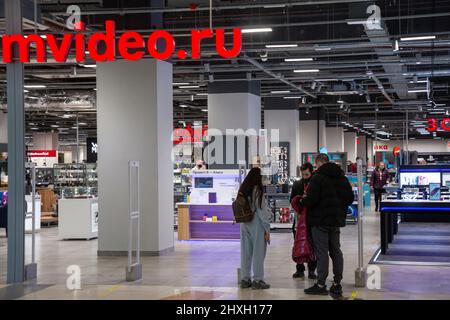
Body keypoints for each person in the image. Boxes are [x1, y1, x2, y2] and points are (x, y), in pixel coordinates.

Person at [299, 154, 354, 296]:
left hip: (320, 221)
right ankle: (337, 283)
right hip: (335, 221)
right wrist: (338, 208)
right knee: (336, 250)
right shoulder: (342, 178)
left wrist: (302, 201)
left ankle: (321, 284)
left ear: (318, 163)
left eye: (316, 165)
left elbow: (311, 200)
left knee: (321, 252)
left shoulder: (318, 178)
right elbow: (350, 198)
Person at [239, 167, 272, 290]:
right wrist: (267, 229)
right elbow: (261, 211)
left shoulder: (243, 188)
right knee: (258, 252)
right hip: (256, 224)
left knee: (245, 252)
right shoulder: (257, 190)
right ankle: (258, 280)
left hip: (244, 223)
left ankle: (245, 279)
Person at [290, 162, 317, 280]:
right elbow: (292, 200)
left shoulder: (315, 184)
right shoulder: (297, 185)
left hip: (312, 220)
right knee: (298, 244)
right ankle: (299, 269)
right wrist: (300, 202)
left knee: (312, 245)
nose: (305, 176)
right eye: (303, 174)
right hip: (299, 220)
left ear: (311, 172)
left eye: (307, 174)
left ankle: (312, 270)